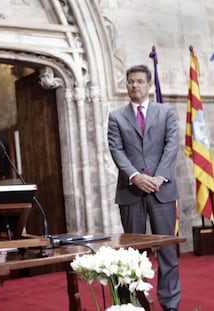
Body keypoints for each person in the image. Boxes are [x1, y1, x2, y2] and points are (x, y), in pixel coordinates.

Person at [107, 64, 181, 311]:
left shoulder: (166, 112)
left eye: (139, 81)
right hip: (131, 192)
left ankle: (170, 304)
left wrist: (159, 177)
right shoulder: (116, 116)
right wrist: (135, 176)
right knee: (133, 255)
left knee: (168, 254)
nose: (134, 86)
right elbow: (116, 149)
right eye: (130, 82)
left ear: (149, 85)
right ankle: (134, 305)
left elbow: (171, 146)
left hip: (162, 192)